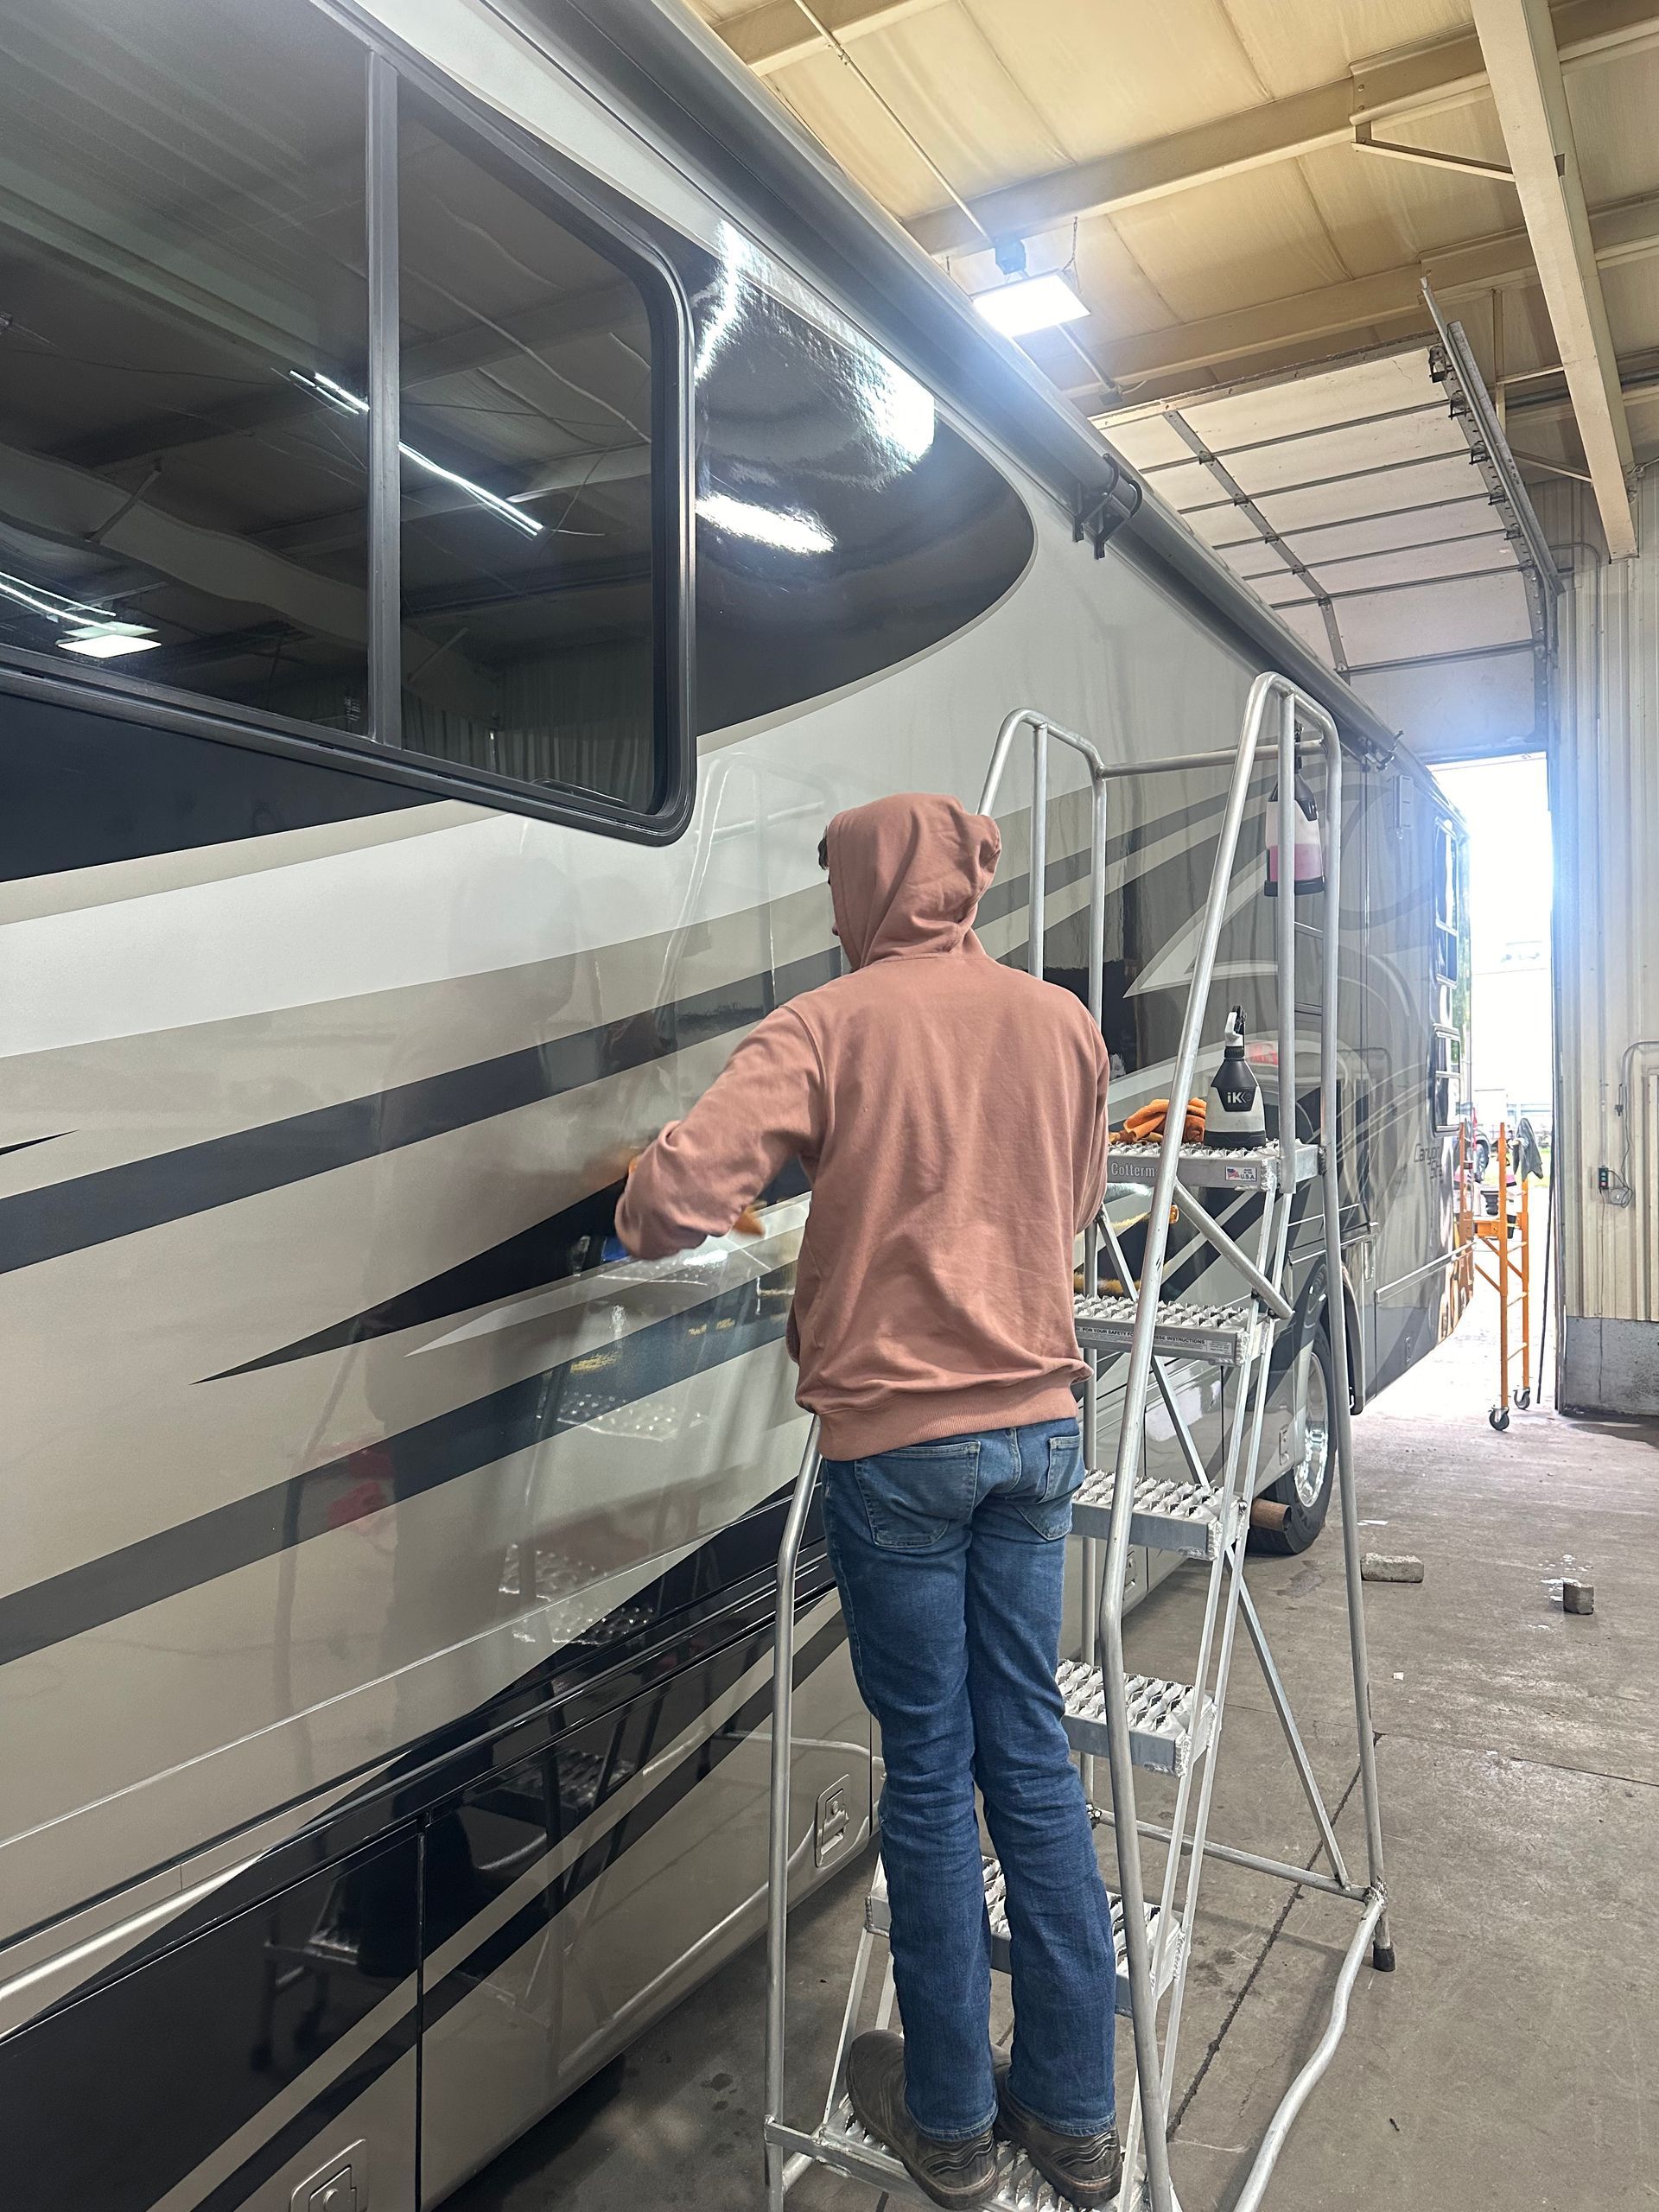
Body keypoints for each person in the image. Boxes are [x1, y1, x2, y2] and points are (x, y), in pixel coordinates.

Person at [615, 791, 1121, 2209]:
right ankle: (1078, 2115)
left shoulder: (827, 1025)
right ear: (964, 879)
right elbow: (1069, 1202)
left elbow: (670, 1203)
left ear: (863, 890)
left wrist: (651, 1189)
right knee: (1029, 1761)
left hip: (896, 1453)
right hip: (1038, 1428)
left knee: (930, 1770)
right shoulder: (1061, 1022)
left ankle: (951, 2121)